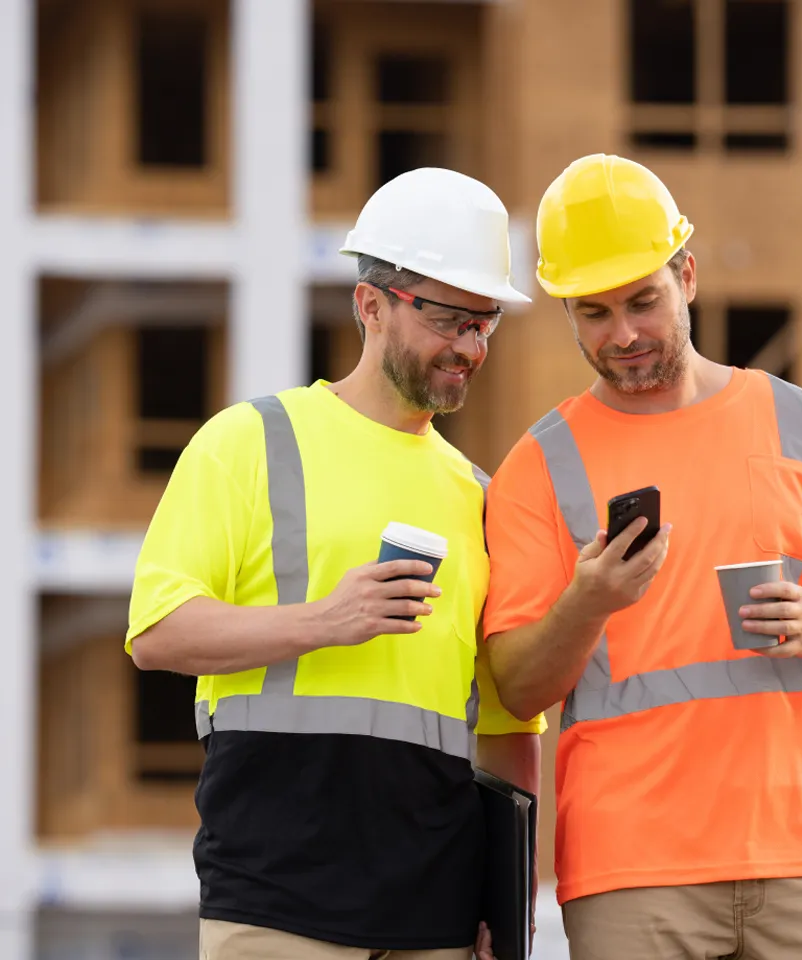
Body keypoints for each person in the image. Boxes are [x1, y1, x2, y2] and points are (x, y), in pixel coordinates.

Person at [482, 153, 802, 960]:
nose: (623, 335)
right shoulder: (538, 467)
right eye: (593, 313)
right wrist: (590, 600)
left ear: (686, 275)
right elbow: (514, 684)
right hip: (631, 872)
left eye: (642, 301)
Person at [125, 167, 544, 960]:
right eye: (451, 317)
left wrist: (509, 907)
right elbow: (157, 632)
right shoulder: (250, 442)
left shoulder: (481, 497)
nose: (470, 346)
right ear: (371, 305)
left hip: (439, 917)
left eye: (485, 323)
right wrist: (326, 620)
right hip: (277, 904)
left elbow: (505, 724)